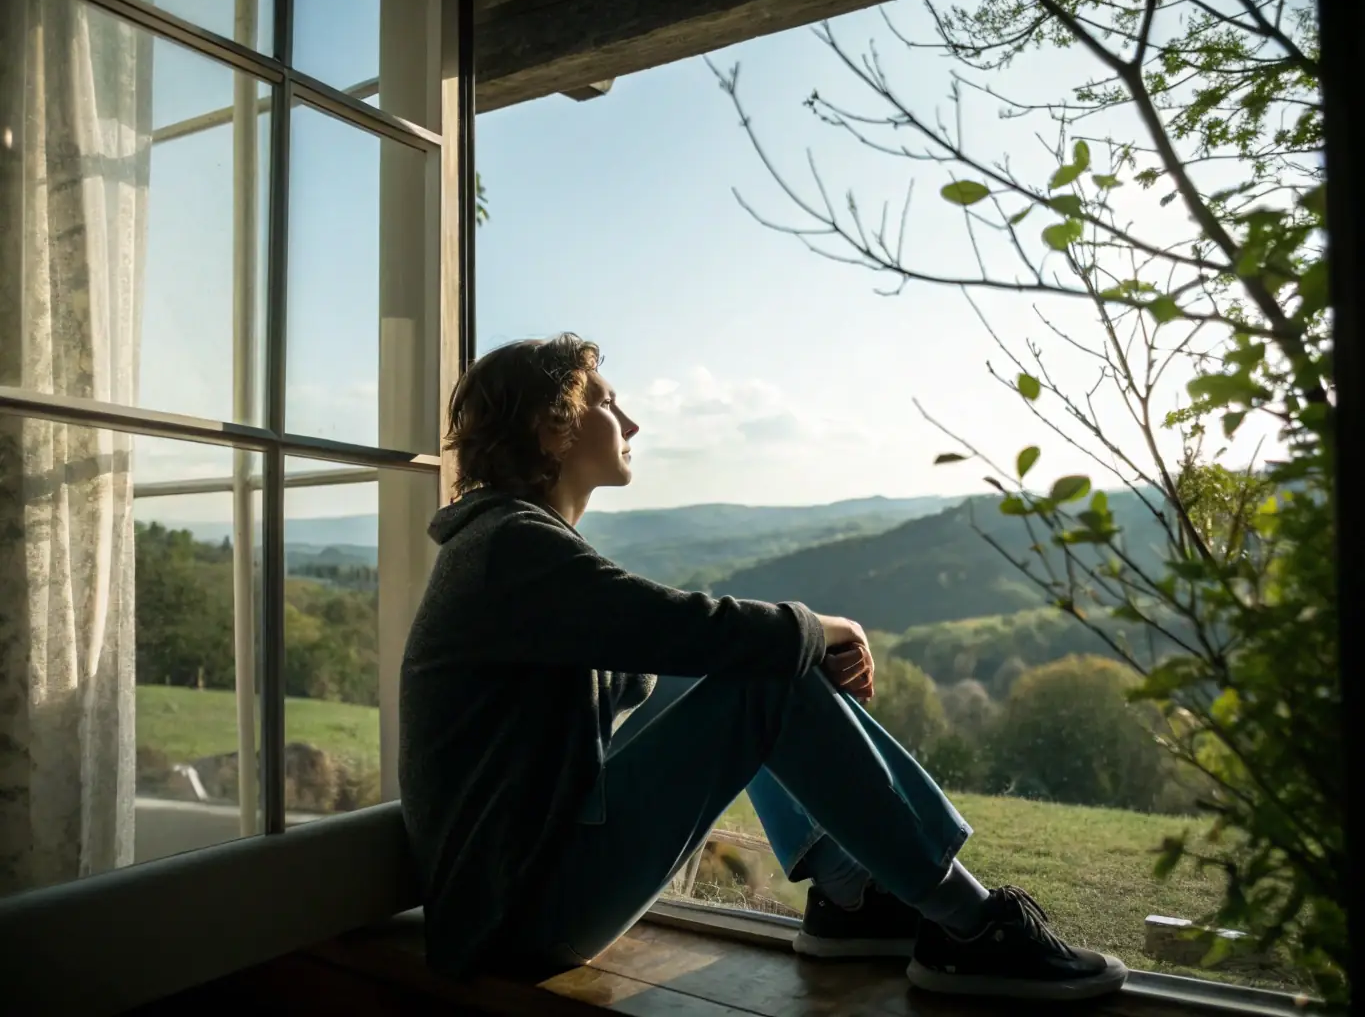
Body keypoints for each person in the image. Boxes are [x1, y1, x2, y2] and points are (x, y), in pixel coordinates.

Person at [398, 334, 1127, 1002]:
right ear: (552, 427)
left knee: (750, 664)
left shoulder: (506, 543)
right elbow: (692, 629)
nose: (632, 424)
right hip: (518, 916)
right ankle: (969, 927)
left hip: (516, 889)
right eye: (609, 404)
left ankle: (849, 893)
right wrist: (823, 628)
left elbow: (670, 652)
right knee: (763, 676)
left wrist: (786, 647)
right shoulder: (510, 550)